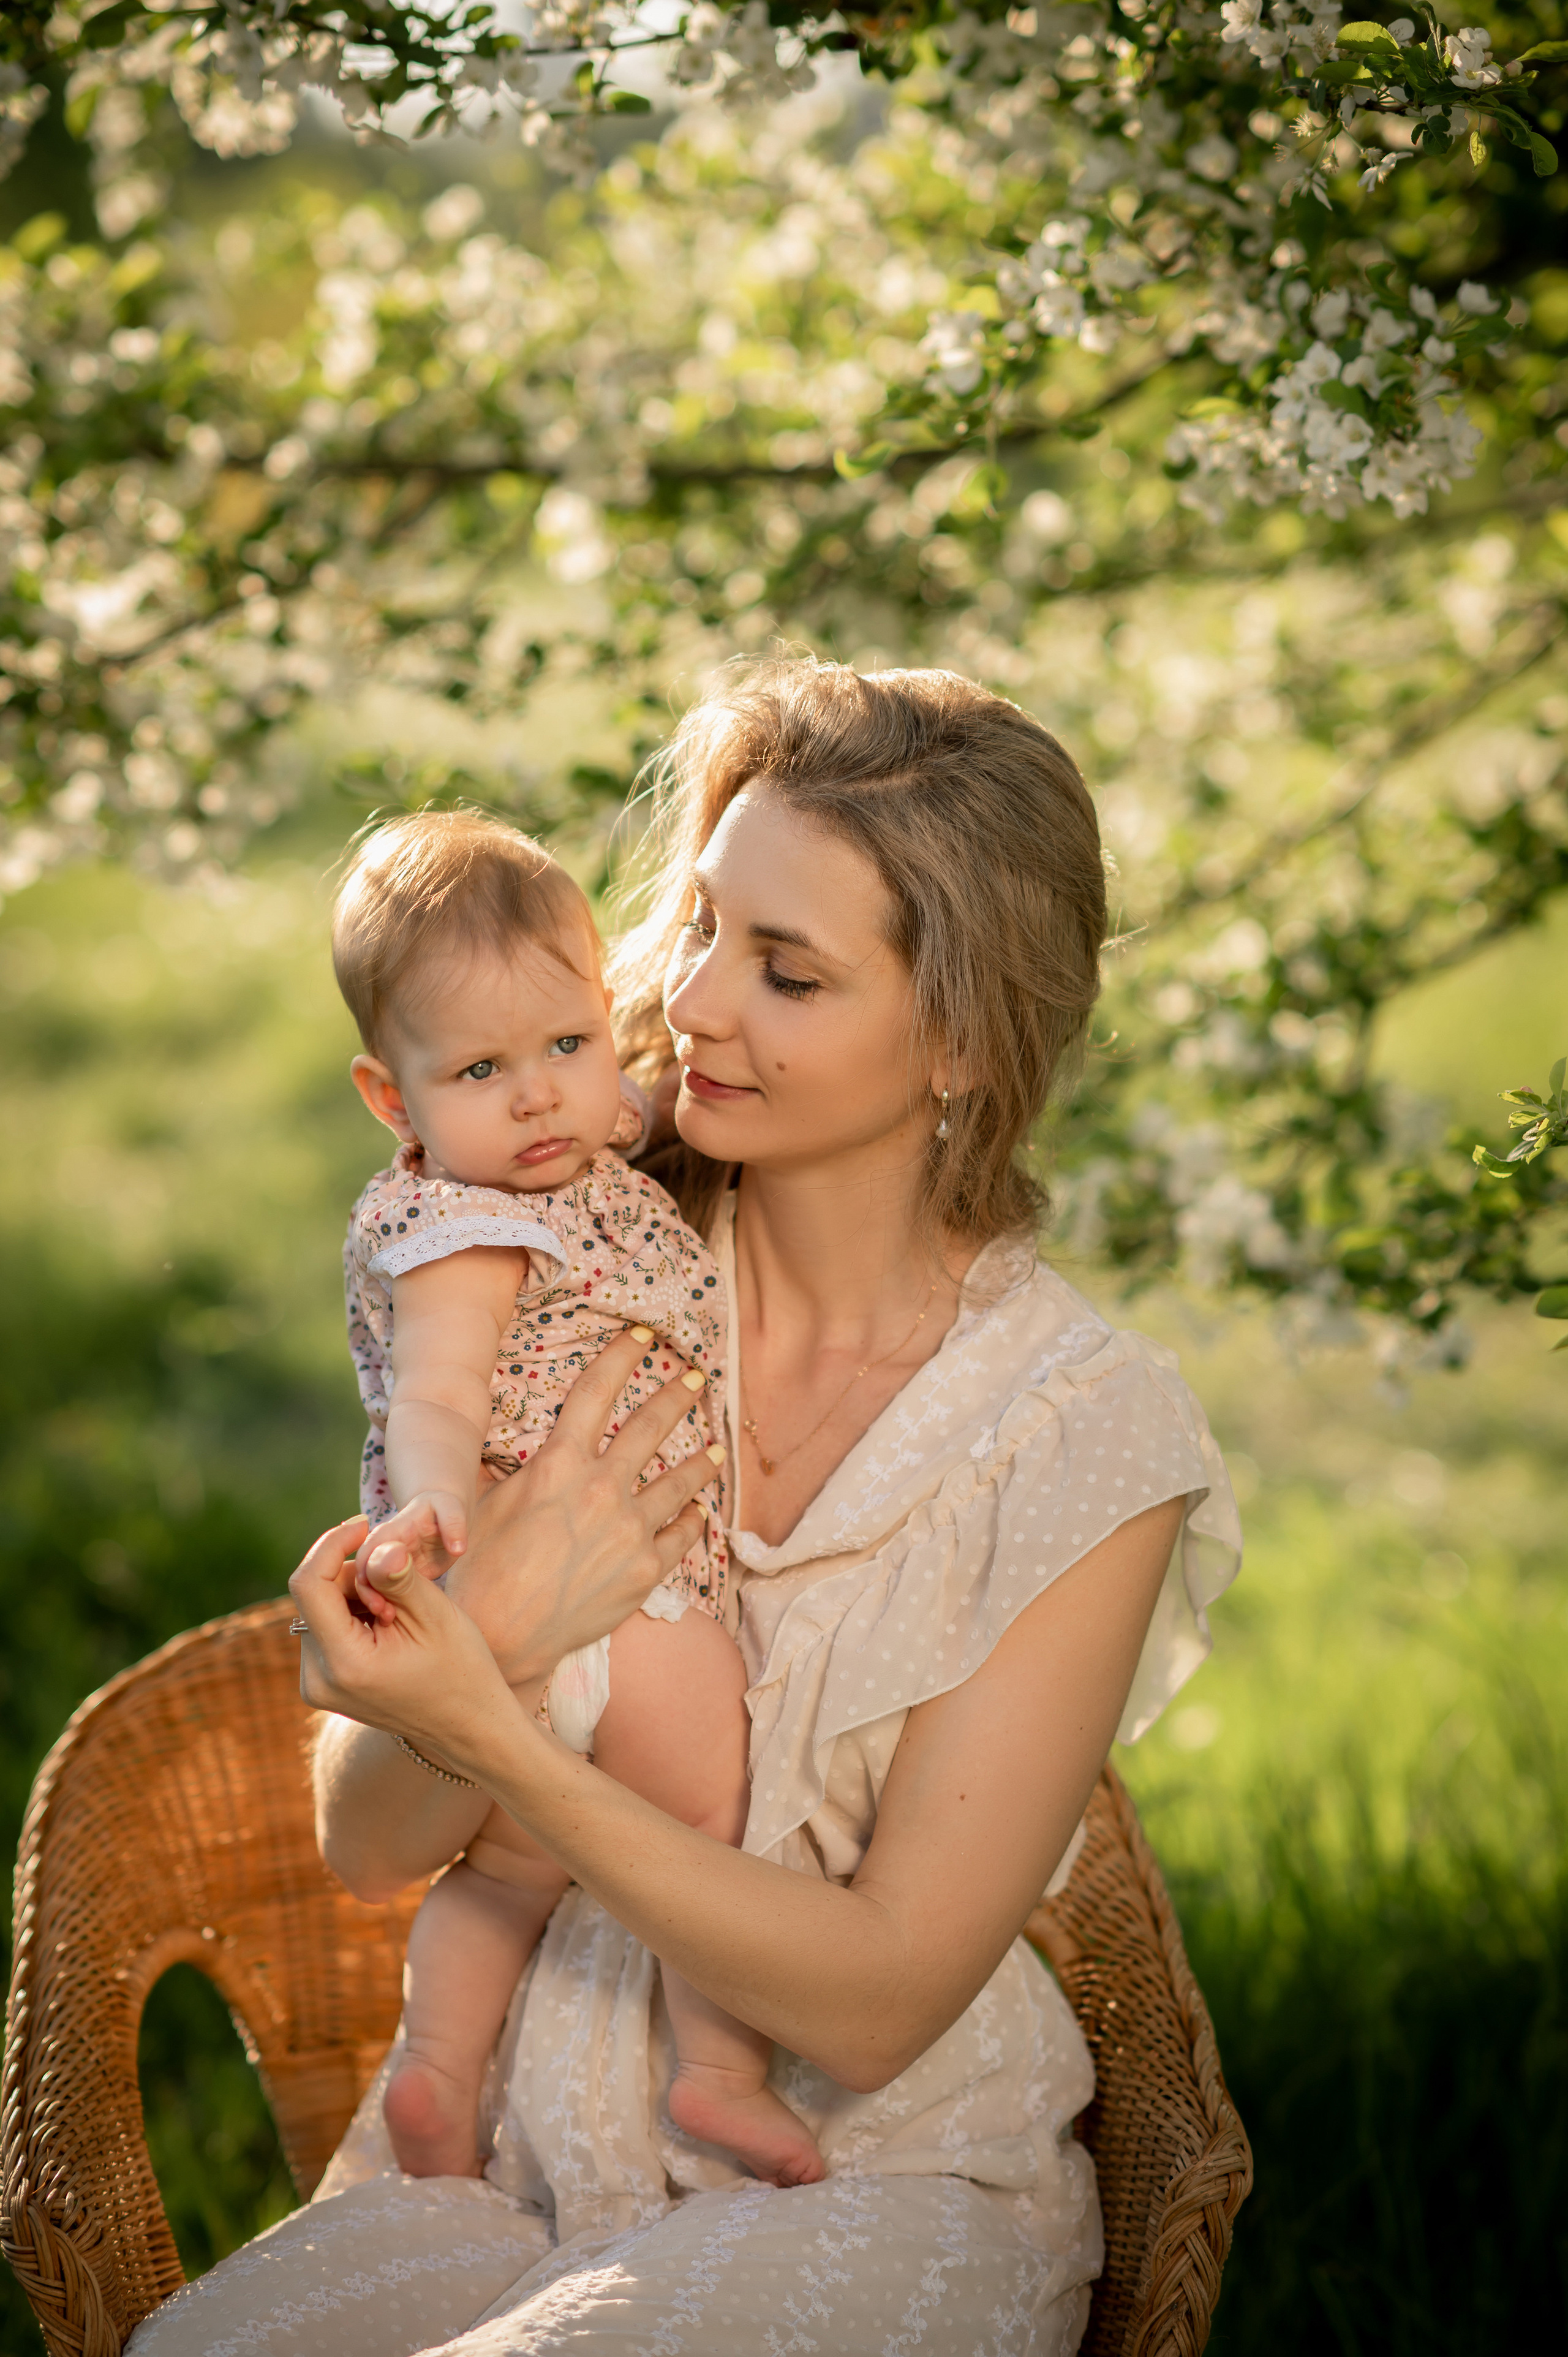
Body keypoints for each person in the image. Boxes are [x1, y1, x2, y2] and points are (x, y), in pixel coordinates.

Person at [128, 659, 1241, 2357]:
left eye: (786, 971)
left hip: (880, 2177)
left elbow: (874, 2007)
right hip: (513, 2160)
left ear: (958, 1037)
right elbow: (365, 1842)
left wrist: (496, 1737)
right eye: (705, 922)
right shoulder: (567, 1247)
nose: (697, 1000)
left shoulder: (1082, 1433)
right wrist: (482, 1629)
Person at [331, 808, 823, 2189]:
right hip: (618, 1591)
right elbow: (433, 1394)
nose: (541, 1096)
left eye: (565, 1043)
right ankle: (718, 2074)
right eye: (483, 1067)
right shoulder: (458, 1228)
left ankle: (437, 2073)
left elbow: (623, 1106)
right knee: (700, 1830)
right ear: (393, 1101)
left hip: (533, 1644)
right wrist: (431, 1512)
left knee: (506, 1867)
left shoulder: (572, 1143)